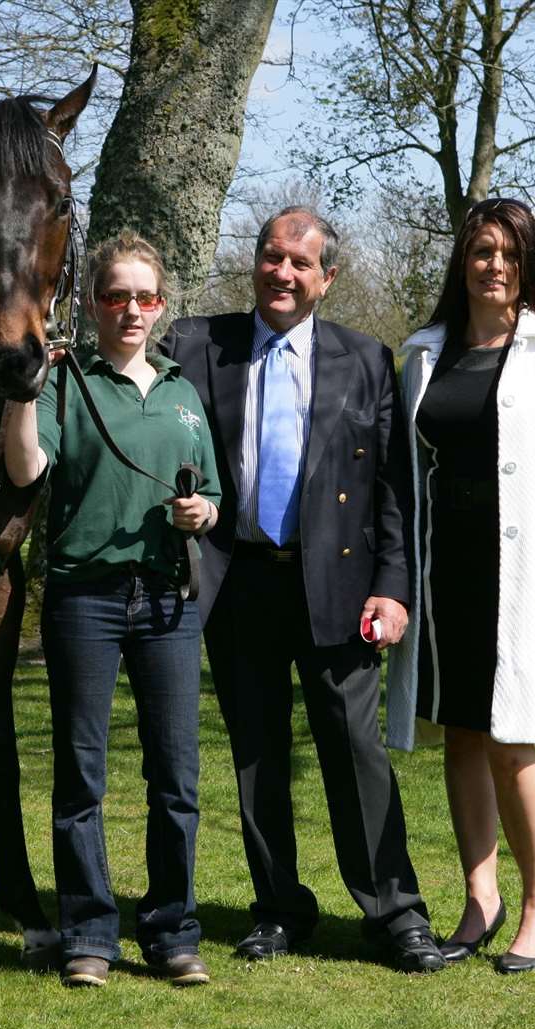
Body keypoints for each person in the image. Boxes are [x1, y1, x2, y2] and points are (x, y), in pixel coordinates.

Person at [161, 207, 444, 974]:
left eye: (299, 263)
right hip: (236, 582)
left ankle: (395, 914)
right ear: (255, 262)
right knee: (257, 756)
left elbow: (392, 491)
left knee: (356, 755)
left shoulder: (364, 360)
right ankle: (280, 908)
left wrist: (394, 589)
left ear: (328, 277)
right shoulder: (194, 345)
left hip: (341, 588)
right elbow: (123, 358)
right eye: (270, 257)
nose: (281, 273)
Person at [386, 197, 535, 974]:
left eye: (510, 253)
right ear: (463, 260)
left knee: (515, 739)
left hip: (526, 566)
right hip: (444, 562)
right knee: (461, 734)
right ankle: (481, 898)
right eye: (482, 251)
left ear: (529, 264)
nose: (495, 265)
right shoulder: (422, 351)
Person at [3, 231, 221, 988]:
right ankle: (90, 936)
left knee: (176, 777)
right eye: (117, 296)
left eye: (146, 297)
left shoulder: (182, 390)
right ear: (93, 303)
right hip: (84, 599)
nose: (132, 310)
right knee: (81, 777)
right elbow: (28, 466)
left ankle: (172, 931)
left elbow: (215, 497)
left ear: (163, 305)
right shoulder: (69, 380)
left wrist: (204, 514)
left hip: (167, 600)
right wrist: (23, 393)